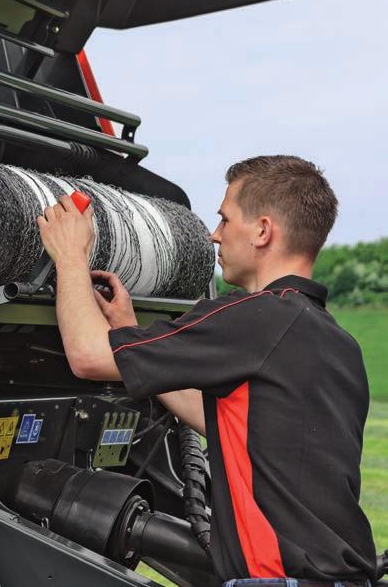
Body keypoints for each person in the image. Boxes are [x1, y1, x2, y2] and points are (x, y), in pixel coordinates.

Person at [37, 155, 376, 586]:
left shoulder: (253, 318)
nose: (215, 235)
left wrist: (69, 256)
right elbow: (236, 424)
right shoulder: (335, 343)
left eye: (224, 219)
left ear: (263, 231)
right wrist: (129, 333)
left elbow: (87, 356)